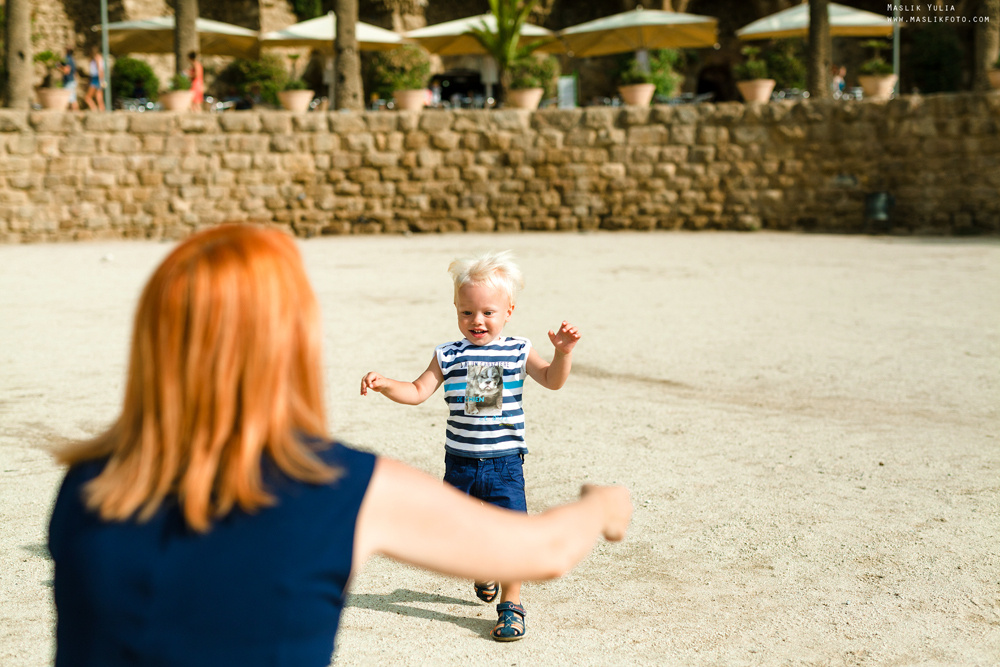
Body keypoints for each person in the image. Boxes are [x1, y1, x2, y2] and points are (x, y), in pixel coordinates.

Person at [48, 225, 631, 667]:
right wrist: (600, 507)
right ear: (295, 342)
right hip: (466, 462)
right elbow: (546, 550)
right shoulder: (338, 487)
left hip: (499, 458)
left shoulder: (85, 488)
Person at [361, 250, 582, 642]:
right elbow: (416, 391)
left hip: (504, 464)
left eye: (488, 313)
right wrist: (385, 384)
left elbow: (552, 380)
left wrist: (562, 353)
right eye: (467, 313)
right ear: (456, 310)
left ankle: (511, 608)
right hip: (460, 464)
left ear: (508, 311)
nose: (477, 321)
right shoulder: (449, 355)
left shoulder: (516, 350)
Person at [82, 45, 104, 112]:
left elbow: (100, 69)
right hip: (97, 78)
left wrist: (101, 80)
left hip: (96, 78)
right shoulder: (99, 57)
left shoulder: (96, 58)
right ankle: (102, 110)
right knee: (99, 96)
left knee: (87, 97)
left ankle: (94, 109)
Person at [60, 47, 79, 111]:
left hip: (68, 81)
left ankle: (75, 114)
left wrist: (59, 67)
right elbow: (75, 72)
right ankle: (75, 114)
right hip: (72, 81)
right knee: (73, 98)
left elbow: (66, 71)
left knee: (69, 99)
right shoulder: (72, 59)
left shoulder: (67, 59)